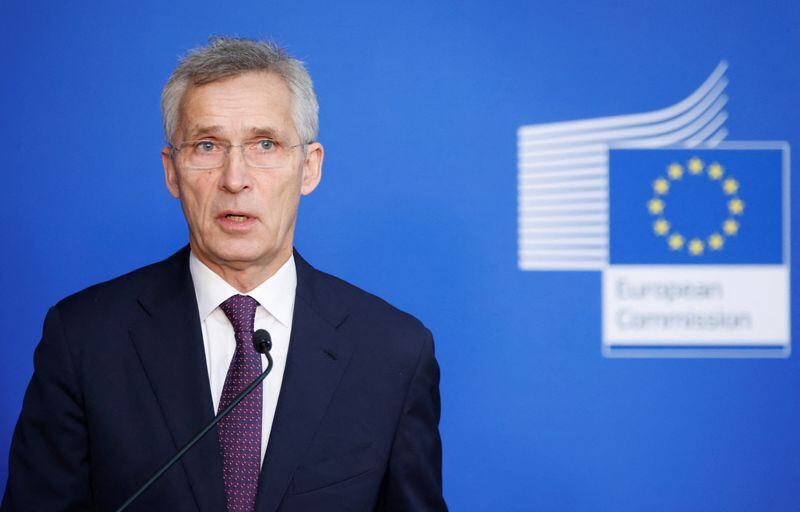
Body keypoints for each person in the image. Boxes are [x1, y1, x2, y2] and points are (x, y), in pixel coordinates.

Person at [2, 37, 447, 512]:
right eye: (207, 145)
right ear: (172, 172)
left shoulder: (393, 351)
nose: (235, 178)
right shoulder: (84, 337)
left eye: (265, 144)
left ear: (309, 168)